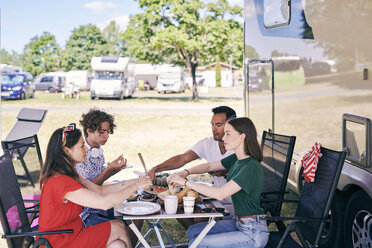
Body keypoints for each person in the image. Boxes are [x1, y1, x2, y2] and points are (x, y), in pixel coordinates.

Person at [38, 124, 152, 248]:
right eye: (82, 146)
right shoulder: (61, 181)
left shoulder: (67, 173)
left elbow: (100, 190)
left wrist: (137, 181)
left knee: (117, 245)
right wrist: (135, 187)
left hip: (72, 234)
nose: (86, 149)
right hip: (59, 242)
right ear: (67, 151)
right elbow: (104, 203)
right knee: (118, 227)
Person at [168, 117, 269, 248]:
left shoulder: (251, 166)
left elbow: (221, 194)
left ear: (242, 137)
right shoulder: (236, 159)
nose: (223, 138)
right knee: (193, 231)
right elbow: (209, 166)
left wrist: (185, 182)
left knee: (198, 244)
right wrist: (185, 172)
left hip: (252, 231)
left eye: (228, 134)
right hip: (237, 223)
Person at [147, 106, 237, 219]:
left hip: (235, 206)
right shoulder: (208, 143)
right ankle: (198, 234)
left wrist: (228, 171)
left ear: (232, 126)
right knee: (182, 210)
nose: (214, 129)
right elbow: (183, 159)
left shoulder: (240, 146)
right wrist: (156, 168)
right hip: (215, 199)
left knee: (192, 215)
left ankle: (200, 233)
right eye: (212, 125)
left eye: (218, 125)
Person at [75, 109, 126, 227]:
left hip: (99, 207)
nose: (107, 136)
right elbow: (88, 189)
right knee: (121, 226)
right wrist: (108, 171)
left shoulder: (97, 151)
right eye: (102, 132)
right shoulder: (80, 154)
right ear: (89, 131)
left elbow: (99, 180)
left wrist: (112, 169)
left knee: (135, 217)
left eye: (108, 131)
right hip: (86, 213)